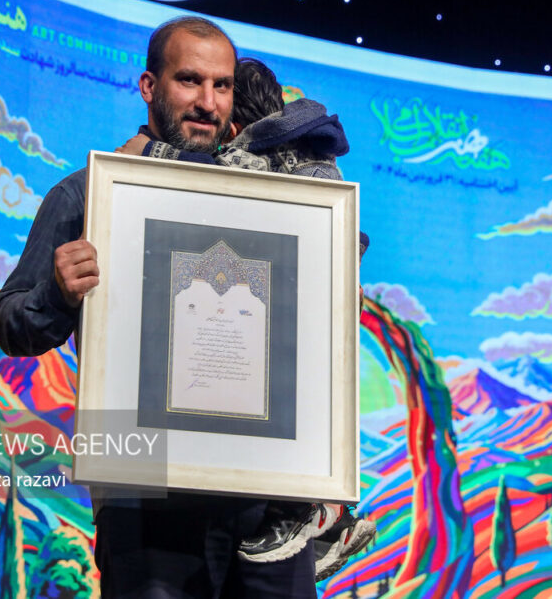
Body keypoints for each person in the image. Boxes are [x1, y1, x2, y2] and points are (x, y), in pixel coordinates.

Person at [0, 16, 317, 598]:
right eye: (189, 80)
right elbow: (12, 324)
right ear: (149, 86)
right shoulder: (90, 193)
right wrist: (57, 294)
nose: (208, 102)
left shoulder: (274, 199)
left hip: (266, 501)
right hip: (146, 496)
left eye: (222, 85)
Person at [118, 56, 377, 579]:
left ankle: (313, 511)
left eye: (221, 94)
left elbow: (221, 184)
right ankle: (330, 514)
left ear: (236, 122)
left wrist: (151, 153)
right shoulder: (312, 148)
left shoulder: (260, 154)